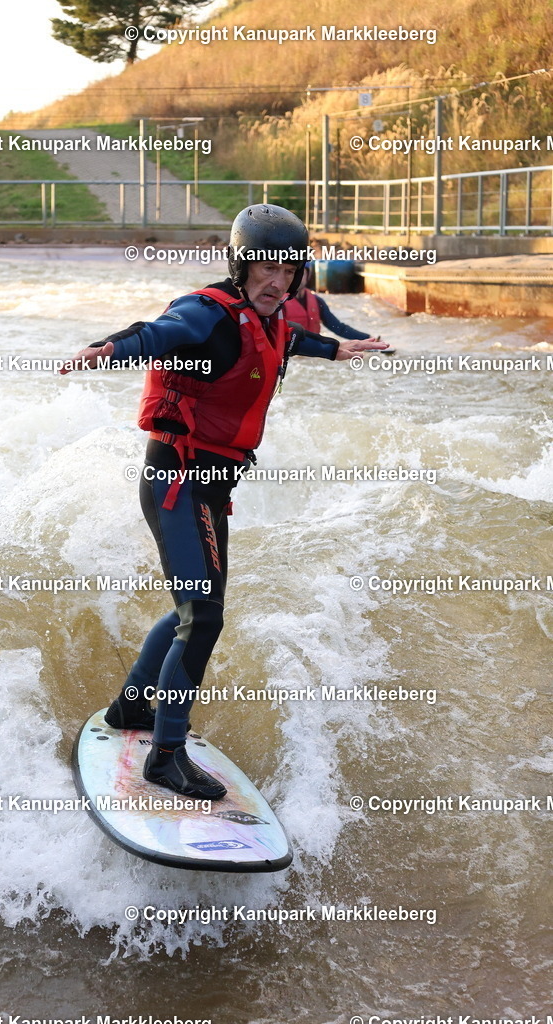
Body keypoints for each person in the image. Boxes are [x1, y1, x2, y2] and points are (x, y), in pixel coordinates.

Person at [61, 204, 387, 801]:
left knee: (194, 608)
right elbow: (159, 334)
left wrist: (337, 350)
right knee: (203, 616)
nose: (277, 281)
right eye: (264, 268)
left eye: (288, 271)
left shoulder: (268, 316)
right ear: (239, 265)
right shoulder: (206, 314)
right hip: (176, 483)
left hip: (209, 487)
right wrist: (106, 349)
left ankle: (131, 707)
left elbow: (287, 339)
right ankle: (165, 755)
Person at [283, 262, 383, 345]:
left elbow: (339, 328)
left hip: (313, 356)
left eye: (301, 274)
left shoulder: (317, 301)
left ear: (308, 275)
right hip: (293, 356)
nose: (298, 278)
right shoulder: (279, 303)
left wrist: (368, 339)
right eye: (294, 274)